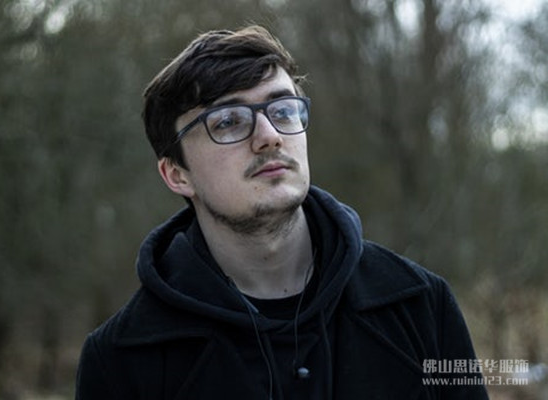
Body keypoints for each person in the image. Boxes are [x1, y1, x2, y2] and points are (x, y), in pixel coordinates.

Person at [75, 25, 489, 399]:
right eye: (228, 121)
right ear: (177, 174)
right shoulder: (121, 362)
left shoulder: (420, 306)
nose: (269, 136)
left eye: (283, 110)